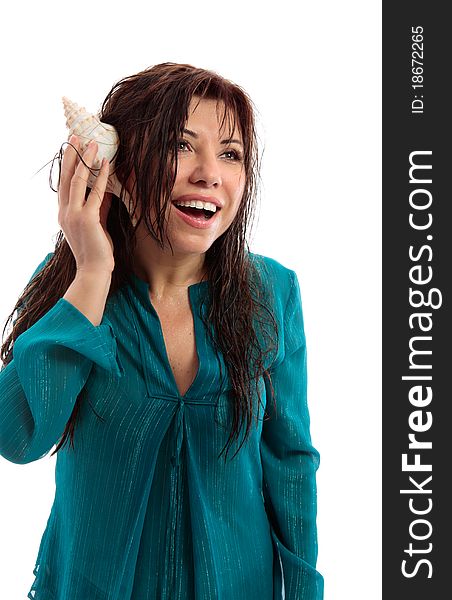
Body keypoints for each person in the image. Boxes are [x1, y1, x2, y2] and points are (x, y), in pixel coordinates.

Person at [0, 62, 324, 599]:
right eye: (180, 145)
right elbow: (17, 437)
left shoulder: (273, 293)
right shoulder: (74, 288)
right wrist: (92, 274)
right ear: (122, 170)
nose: (209, 174)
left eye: (230, 154)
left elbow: (291, 463)